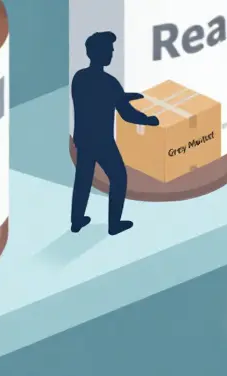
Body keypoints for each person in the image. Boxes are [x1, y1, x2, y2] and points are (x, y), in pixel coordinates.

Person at [70, 31, 159, 236]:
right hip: (102, 142)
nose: (112, 53)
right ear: (99, 53)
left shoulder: (80, 78)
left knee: (82, 180)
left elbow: (98, 98)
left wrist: (123, 96)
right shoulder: (109, 83)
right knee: (119, 178)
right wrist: (149, 120)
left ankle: (76, 222)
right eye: (109, 50)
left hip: (83, 139)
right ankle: (114, 225)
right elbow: (127, 115)